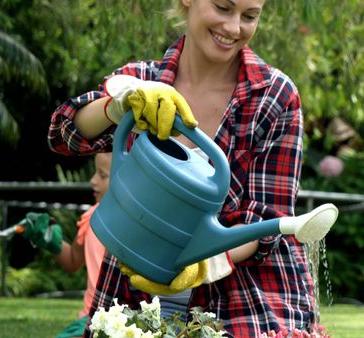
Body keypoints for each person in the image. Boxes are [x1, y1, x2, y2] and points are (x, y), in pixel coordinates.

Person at [48, 0, 314, 336]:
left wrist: (205, 263)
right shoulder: (143, 81)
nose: (233, 28)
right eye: (222, 7)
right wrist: (118, 107)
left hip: (243, 299)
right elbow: (63, 135)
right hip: (133, 293)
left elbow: (265, 222)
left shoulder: (274, 97)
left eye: (249, 16)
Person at [21, 153, 111, 338]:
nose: (93, 180)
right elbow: (72, 261)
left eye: (102, 175)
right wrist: (49, 239)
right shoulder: (91, 217)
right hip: (87, 321)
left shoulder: (140, 226)